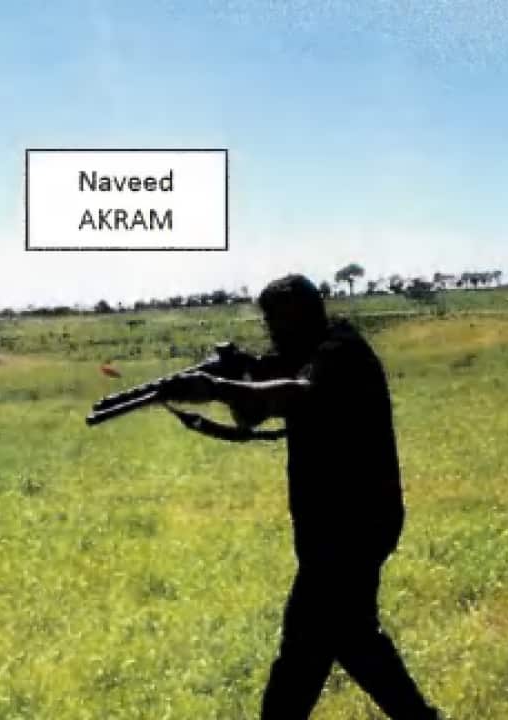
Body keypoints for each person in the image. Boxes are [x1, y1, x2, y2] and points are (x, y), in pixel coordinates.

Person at [159, 274, 441, 720]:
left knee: (303, 650)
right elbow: (251, 415)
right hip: (335, 527)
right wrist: (237, 374)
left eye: (278, 321)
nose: (273, 332)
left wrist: (218, 387)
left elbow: (296, 393)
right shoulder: (303, 356)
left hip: (353, 528)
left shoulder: (340, 352)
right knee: (352, 639)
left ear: (305, 314)